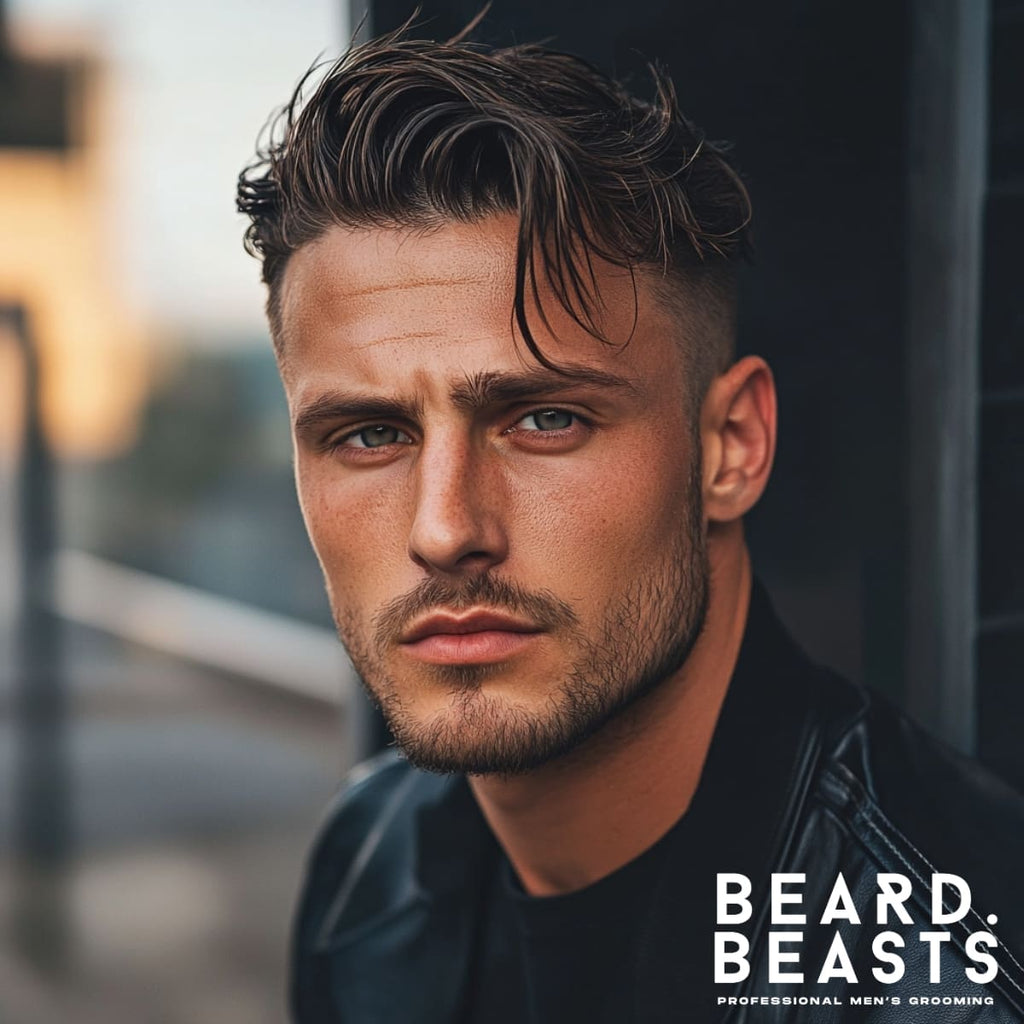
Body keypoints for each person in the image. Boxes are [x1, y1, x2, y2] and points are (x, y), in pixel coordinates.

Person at [237, 24, 1024, 1024]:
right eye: (368, 435)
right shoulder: (368, 859)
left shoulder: (946, 971)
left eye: (544, 419)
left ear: (729, 446)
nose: (443, 529)